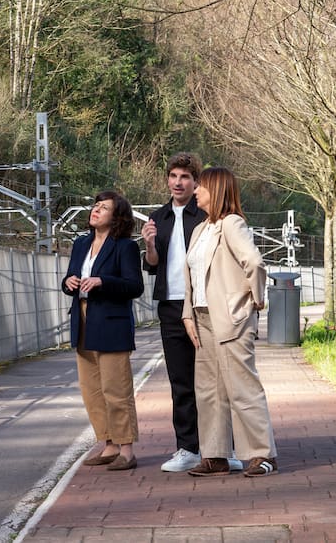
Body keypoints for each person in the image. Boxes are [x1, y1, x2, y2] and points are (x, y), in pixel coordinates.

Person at [181, 167, 278, 477]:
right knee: (208, 390)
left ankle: (262, 455)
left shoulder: (232, 224)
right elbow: (191, 277)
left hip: (231, 319)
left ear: (217, 189)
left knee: (242, 388)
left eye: (201, 187)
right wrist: (187, 313)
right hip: (202, 317)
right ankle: (215, 456)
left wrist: (255, 300)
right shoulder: (200, 230)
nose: (195, 191)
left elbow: (255, 262)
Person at [61, 191, 145, 471]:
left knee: (116, 389)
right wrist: (68, 282)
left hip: (111, 321)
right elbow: (69, 278)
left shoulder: (125, 247)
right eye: (94, 205)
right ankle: (107, 444)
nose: (95, 210)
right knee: (91, 389)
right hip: (83, 319)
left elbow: (135, 286)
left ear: (117, 217)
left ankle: (127, 449)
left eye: (103, 207)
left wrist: (102, 281)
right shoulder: (81, 244)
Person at [140, 152, 209, 473]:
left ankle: (222, 445)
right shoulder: (157, 219)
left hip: (205, 305)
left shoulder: (207, 216)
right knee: (180, 381)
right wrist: (150, 246)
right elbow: (152, 265)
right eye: (173, 176)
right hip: (171, 306)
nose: (178, 182)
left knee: (211, 379)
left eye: (185, 177)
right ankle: (187, 448)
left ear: (195, 182)